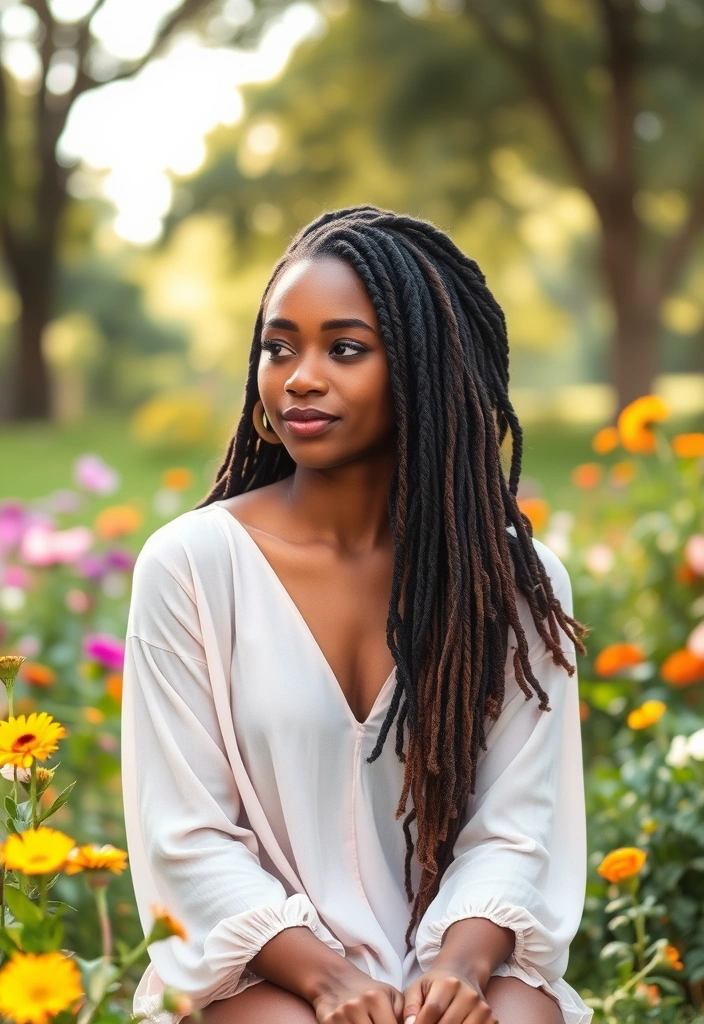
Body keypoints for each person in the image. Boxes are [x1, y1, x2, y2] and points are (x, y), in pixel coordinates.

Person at [121, 205, 594, 1024]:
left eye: (345, 348)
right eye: (279, 347)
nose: (300, 375)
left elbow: (518, 827)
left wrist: (458, 970)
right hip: (259, 969)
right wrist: (328, 979)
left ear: (421, 369)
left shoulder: (512, 583)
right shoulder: (192, 566)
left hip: (448, 954)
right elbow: (186, 836)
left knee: (520, 1017)